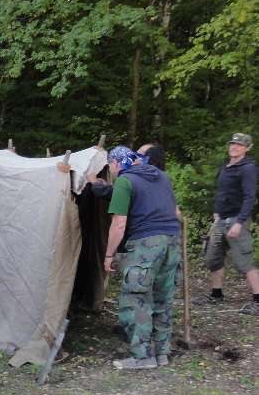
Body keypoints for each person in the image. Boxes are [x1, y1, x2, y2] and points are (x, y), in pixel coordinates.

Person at [103, 146, 182, 369]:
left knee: (137, 299)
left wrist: (108, 254)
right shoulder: (163, 177)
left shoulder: (124, 181)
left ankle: (143, 357)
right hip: (172, 242)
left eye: (110, 166)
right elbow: (176, 212)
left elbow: (119, 223)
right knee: (163, 298)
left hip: (146, 245)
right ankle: (162, 353)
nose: (111, 171)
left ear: (116, 163)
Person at [201, 133, 259, 315]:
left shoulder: (248, 168)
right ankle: (216, 294)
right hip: (221, 220)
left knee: (244, 261)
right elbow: (221, 191)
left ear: (247, 148)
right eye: (233, 144)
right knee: (213, 258)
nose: (234, 147)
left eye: (239, 145)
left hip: (236, 220)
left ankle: (258, 300)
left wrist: (239, 222)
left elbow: (250, 197)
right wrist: (216, 212)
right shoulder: (226, 166)